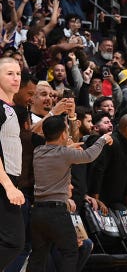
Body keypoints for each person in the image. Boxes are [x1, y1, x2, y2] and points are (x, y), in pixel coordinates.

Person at [27, 116, 112, 272]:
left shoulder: (38, 151)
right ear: (64, 134)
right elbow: (89, 156)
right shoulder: (65, 154)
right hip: (56, 212)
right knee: (71, 252)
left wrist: (69, 146)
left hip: (37, 212)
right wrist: (103, 140)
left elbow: (56, 153)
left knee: (38, 255)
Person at [0, 58, 25, 269]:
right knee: (13, 241)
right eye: (9, 73)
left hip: (10, 182)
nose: (16, 78)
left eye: (18, 73)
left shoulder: (10, 108)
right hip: (2, 183)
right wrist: (8, 185)